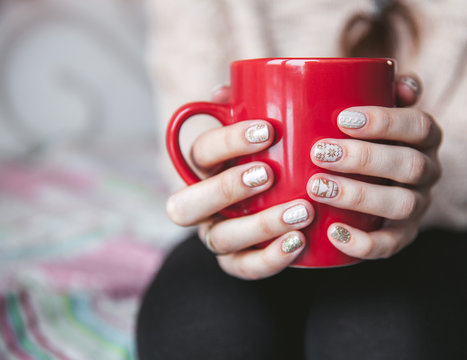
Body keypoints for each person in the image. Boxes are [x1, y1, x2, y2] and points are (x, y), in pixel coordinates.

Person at [137, 0, 467, 358]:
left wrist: (425, 179)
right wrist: (217, 194)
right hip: (255, 232)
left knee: (385, 333)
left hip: (434, 232)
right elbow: (193, 126)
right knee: (201, 329)